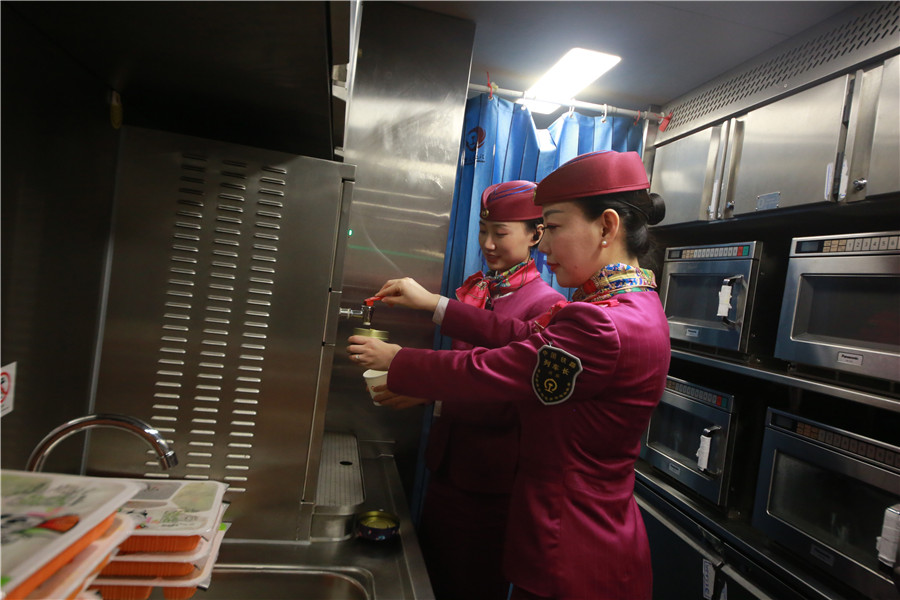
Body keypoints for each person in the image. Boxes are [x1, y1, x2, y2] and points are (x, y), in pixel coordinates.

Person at [348, 149, 670, 600]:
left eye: (554, 227)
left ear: (607, 226)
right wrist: (434, 305)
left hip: (573, 552)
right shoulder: (627, 307)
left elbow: (496, 368)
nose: (545, 245)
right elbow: (517, 332)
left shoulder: (606, 324)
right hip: (587, 541)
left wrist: (399, 361)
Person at [416, 180, 565, 600]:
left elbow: (513, 397)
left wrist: (429, 392)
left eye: (500, 233)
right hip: (448, 462)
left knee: (471, 584)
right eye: (483, 231)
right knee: (432, 575)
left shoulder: (545, 305)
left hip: (492, 477)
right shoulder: (480, 288)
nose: (487, 243)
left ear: (536, 234)